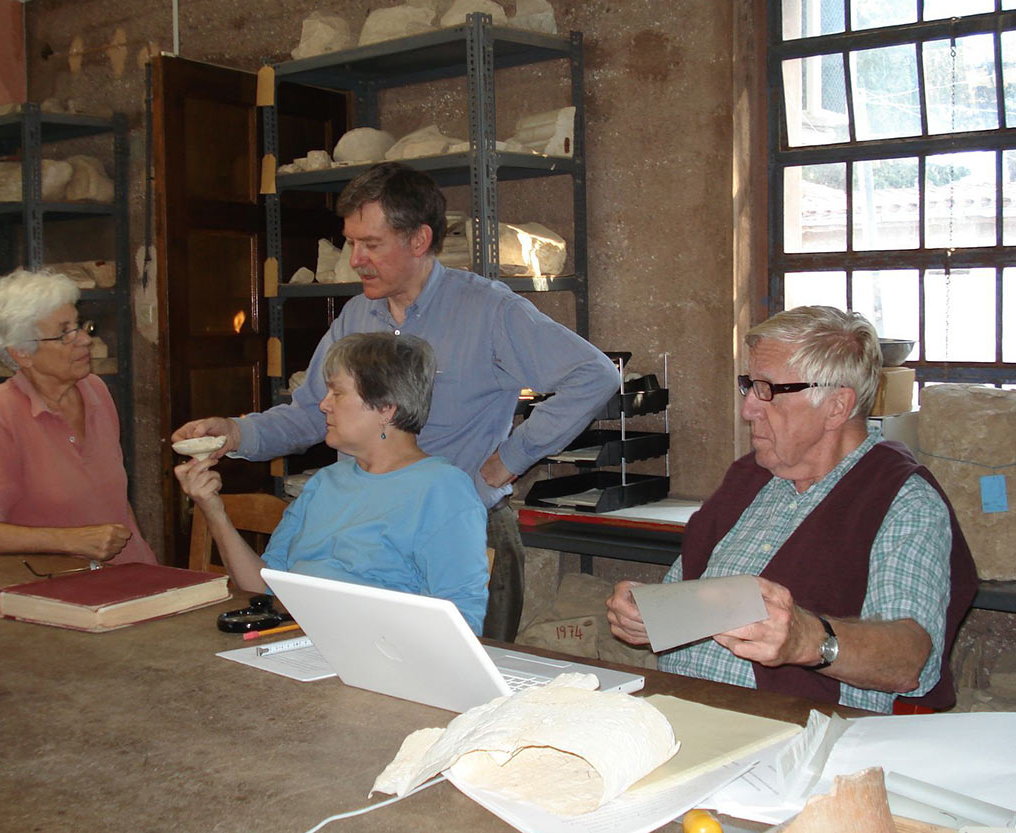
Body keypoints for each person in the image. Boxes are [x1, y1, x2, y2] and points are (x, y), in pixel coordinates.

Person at [173, 161, 620, 640]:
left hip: (464, 532)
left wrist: (504, 464)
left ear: (418, 240)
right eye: (351, 242)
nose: (355, 259)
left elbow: (593, 375)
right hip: (370, 537)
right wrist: (235, 432)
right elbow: (309, 412)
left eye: (371, 244)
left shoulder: (488, 310)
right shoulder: (355, 316)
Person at [606, 306, 977, 713]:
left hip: (798, 737)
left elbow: (910, 659)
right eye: (748, 385)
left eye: (767, 389)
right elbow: (684, 599)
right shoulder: (749, 478)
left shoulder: (902, 500)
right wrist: (647, 613)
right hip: (683, 709)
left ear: (837, 406)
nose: (748, 408)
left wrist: (807, 640)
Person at [175, 333, 489, 633]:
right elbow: (264, 588)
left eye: (336, 393)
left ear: (385, 408)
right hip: (300, 650)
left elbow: (463, 622)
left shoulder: (442, 490)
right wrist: (213, 510)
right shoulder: (324, 483)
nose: (324, 405)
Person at [0, 269, 156, 565]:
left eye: (79, 326)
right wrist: (71, 540)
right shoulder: (0, 413)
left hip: (129, 573)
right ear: (23, 353)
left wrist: (144, 564)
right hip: (59, 585)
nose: (84, 341)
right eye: (65, 333)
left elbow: (114, 502)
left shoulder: (96, 391)